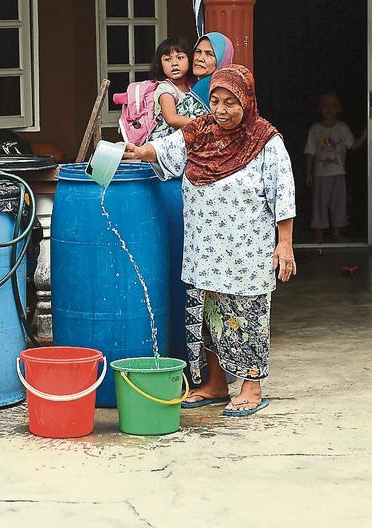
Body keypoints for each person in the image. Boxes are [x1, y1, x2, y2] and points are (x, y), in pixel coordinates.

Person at [122, 65, 296, 416]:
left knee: (247, 313)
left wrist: (285, 243)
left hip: (247, 248)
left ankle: (251, 385)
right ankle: (216, 383)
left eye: (230, 102)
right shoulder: (199, 131)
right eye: (214, 100)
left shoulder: (265, 140)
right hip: (205, 247)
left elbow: (283, 193)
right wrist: (141, 152)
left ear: (246, 102)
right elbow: (165, 150)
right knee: (208, 312)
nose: (220, 109)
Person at [304, 92, 368, 243]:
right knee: (320, 203)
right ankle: (319, 234)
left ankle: (336, 233)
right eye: (325, 105)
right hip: (320, 174)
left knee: (338, 203)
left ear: (340, 108)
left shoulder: (342, 127)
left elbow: (352, 146)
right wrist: (308, 173)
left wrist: (365, 136)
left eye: (333, 104)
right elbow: (310, 152)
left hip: (339, 173)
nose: (329, 108)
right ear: (319, 108)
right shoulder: (315, 129)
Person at [146, 37, 199, 142]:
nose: (174, 63)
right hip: (166, 143)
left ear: (189, 60)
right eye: (167, 59)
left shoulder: (192, 86)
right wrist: (202, 123)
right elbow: (171, 118)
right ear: (160, 64)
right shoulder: (165, 89)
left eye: (180, 58)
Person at [185, 32, 235, 115]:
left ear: (222, 59)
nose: (200, 58)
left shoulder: (205, 85)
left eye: (209, 54)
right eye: (198, 51)